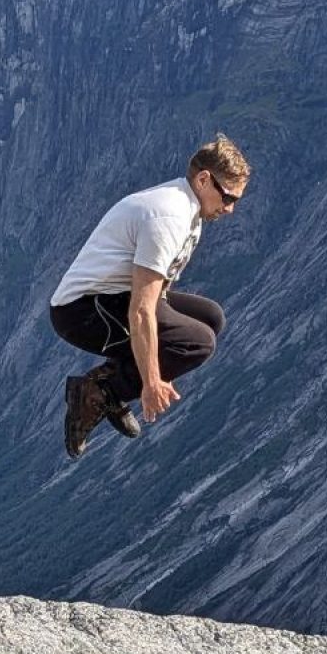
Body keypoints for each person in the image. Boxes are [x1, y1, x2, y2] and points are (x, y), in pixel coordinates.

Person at [50, 134, 250, 458]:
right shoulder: (169, 218)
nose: (229, 209)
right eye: (227, 197)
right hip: (83, 312)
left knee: (211, 318)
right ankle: (99, 391)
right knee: (197, 342)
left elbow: (156, 295)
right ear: (203, 179)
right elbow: (142, 311)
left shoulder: (187, 207)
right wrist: (151, 381)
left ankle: (111, 381)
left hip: (110, 298)